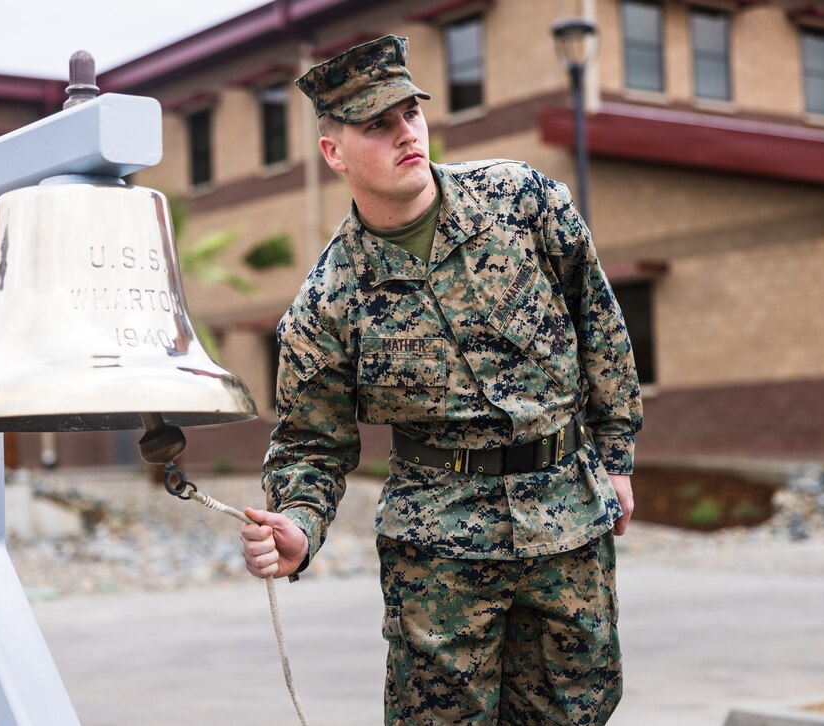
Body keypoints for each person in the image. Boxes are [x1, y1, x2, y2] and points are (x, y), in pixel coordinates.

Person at [240, 34, 642, 725]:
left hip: (567, 524)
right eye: (377, 124)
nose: (405, 134)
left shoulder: (523, 202)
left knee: (578, 713)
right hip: (439, 554)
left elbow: (599, 326)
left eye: (410, 114)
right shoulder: (327, 303)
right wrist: (300, 527)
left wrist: (616, 459)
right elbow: (312, 442)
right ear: (334, 152)